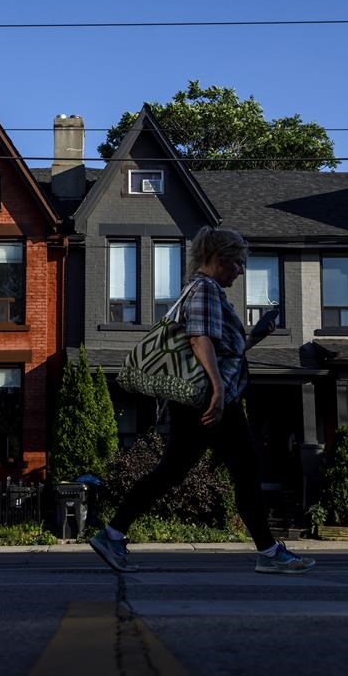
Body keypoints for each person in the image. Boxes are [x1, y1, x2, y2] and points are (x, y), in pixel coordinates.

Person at [91, 226, 315, 574]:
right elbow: (199, 340)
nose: (240, 271)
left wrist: (256, 335)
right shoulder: (205, 289)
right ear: (219, 258)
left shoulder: (205, 290)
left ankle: (112, 533)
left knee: (173, 471)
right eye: (237, 263)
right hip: (211, 400)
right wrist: (218, 389)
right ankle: (270, 553)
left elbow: (225, 350)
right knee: (245, 470)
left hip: (204, 399)